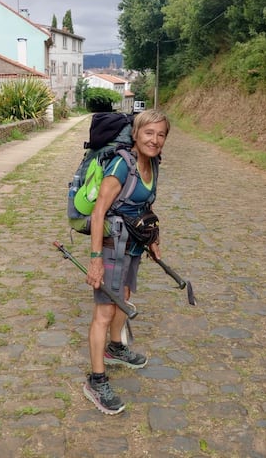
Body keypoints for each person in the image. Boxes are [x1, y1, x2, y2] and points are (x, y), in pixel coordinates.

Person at [83, 109, 170, 414]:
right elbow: (98, 213)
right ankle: (96, 380)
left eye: (160, 134)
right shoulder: (122, 165)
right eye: (149, 133)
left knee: (125, 298)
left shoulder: (153, 164)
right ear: (136, 134)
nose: (154, 140)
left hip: (132, 247)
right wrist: (95, 261)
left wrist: (154, 241)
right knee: (104, 312)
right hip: (110, 247)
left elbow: (144, 206)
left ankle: (116, 348)